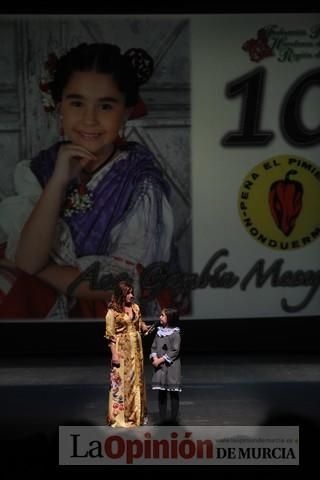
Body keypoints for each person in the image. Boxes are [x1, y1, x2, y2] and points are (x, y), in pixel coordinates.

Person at [0, 42, 174, 319]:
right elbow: (28, 259)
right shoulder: (42, 168)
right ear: (60, 107)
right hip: (46, 295)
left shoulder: (141, 183)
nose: (89, 119)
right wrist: (58, 181)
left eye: (105, 106)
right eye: (77, 103)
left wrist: (42, 270)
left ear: (126, 113)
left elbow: (123, 285)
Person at [105, 280, 149, 427]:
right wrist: (114, 355)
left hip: (136, 350)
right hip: (122, 351)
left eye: (132, 292)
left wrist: (144, 327)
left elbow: (139, 324)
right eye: (128, 293)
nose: (131, 295)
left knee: (137, 382)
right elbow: (110, 336)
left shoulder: (135, 307)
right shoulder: (112, 312)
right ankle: (120, 417)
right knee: (122, 383)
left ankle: (136, 415)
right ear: (121, 295)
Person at [150, 307, 182, 424]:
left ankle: (173, 420)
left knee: (173, 393)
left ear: (169, 318)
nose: (160, 317)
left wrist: (161, 360)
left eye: (162, 315)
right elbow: (153, 346)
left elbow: (175, 350)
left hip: (171, 367)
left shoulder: (175, 334)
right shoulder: (159, 332)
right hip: (160, 368)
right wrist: (154, 357)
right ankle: (162, 419)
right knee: (162, 392)